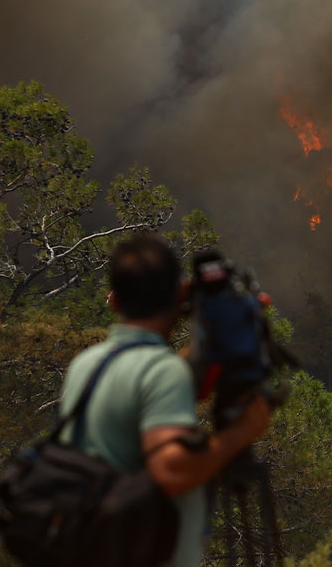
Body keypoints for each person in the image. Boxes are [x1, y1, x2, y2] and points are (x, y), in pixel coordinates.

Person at [58, 233, 272, 566]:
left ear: (114, 302)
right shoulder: (162, 372)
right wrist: (238, 435)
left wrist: (202, 355)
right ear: (181, 294)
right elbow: (171, 472)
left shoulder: (85, 366)